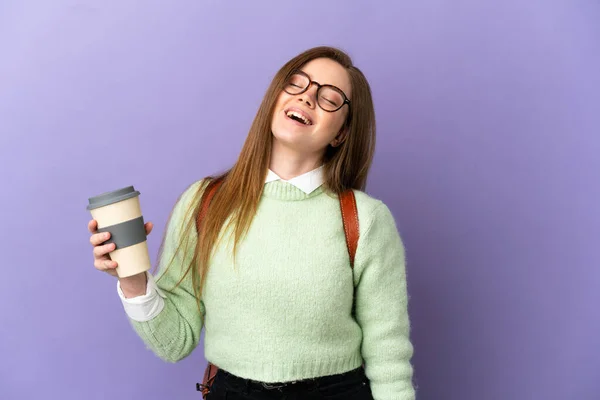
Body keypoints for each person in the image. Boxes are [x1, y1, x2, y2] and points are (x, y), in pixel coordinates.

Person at [88, 46, 415, 400]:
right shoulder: (206, 202)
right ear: (275, 98)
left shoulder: (365, 220)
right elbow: (175, 342)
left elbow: (388, 357)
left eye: (329, 98)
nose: (306, 97)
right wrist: (134, 280)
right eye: (296, 84)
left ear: (341, 134)